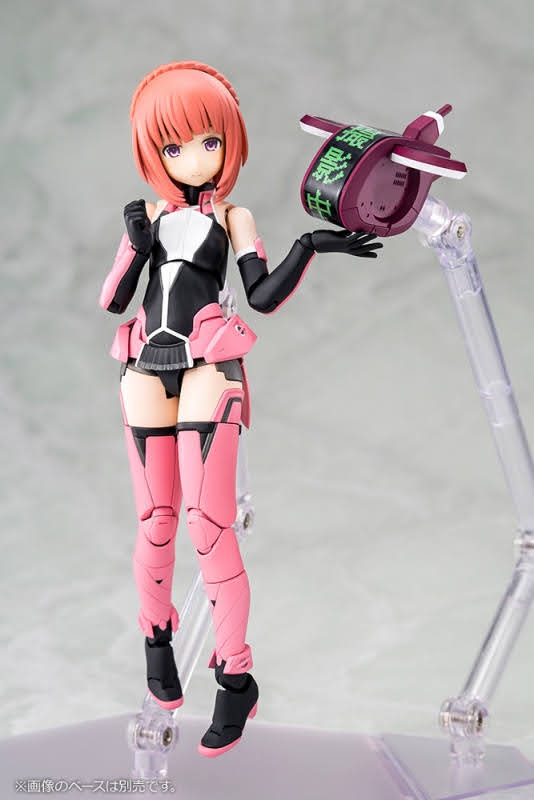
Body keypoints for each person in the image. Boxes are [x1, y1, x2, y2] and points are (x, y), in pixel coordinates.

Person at [99, 61, 382, 757]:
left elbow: (260, 295)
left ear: (228, 142)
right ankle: (157, 643)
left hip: (208, 362)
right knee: (155, 521)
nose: (194, 158)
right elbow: (113, 300)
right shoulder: (149, 217)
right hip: (144, 363)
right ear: (153, 152)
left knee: (208, 524)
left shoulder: (232, 216)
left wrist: (310, 245)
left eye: (208, 141)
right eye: (173, 146)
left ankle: (235, 676)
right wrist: (135, 246)